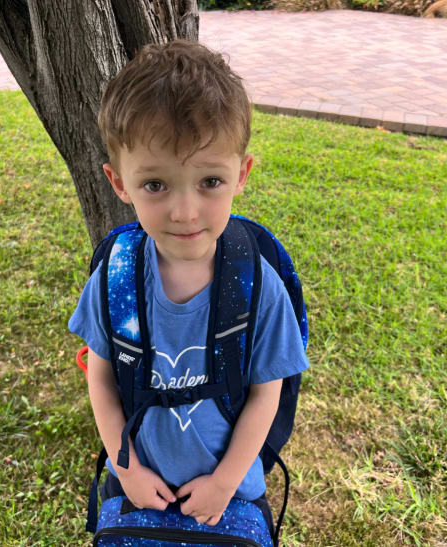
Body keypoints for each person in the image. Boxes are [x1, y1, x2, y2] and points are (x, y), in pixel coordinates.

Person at [69, 40, 309, 529]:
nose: (184, 212)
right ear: (120, 184)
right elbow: (101, 378)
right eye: (155, 185)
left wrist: (223, 484)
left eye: (210, 182)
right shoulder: (115, 282)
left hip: (231, 493)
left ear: (241, 174)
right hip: (139, 486)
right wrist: (127, 469)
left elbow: (268, 394)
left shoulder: (259, 287)